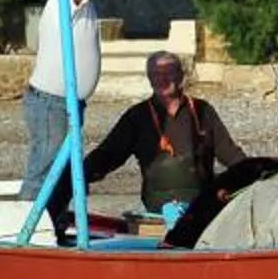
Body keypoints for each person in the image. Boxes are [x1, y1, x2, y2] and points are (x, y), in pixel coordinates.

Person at [21, 0, 126, 205]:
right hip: (51, 103)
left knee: (65, 174)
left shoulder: (83, 3)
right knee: (45, 170)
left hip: (67, 103)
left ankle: (54, 226)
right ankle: (21, 230)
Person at [83, 50, 246, 223]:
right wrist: (78, 174)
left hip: (200, 208)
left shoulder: (202, 110)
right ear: (149, 78)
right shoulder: (137, 116)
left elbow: (230, 153)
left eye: (169, 72)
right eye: (156, 74)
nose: (163, 79)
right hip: (157, 213)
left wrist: (257, 172)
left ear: (181, 75)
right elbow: (108, 155)